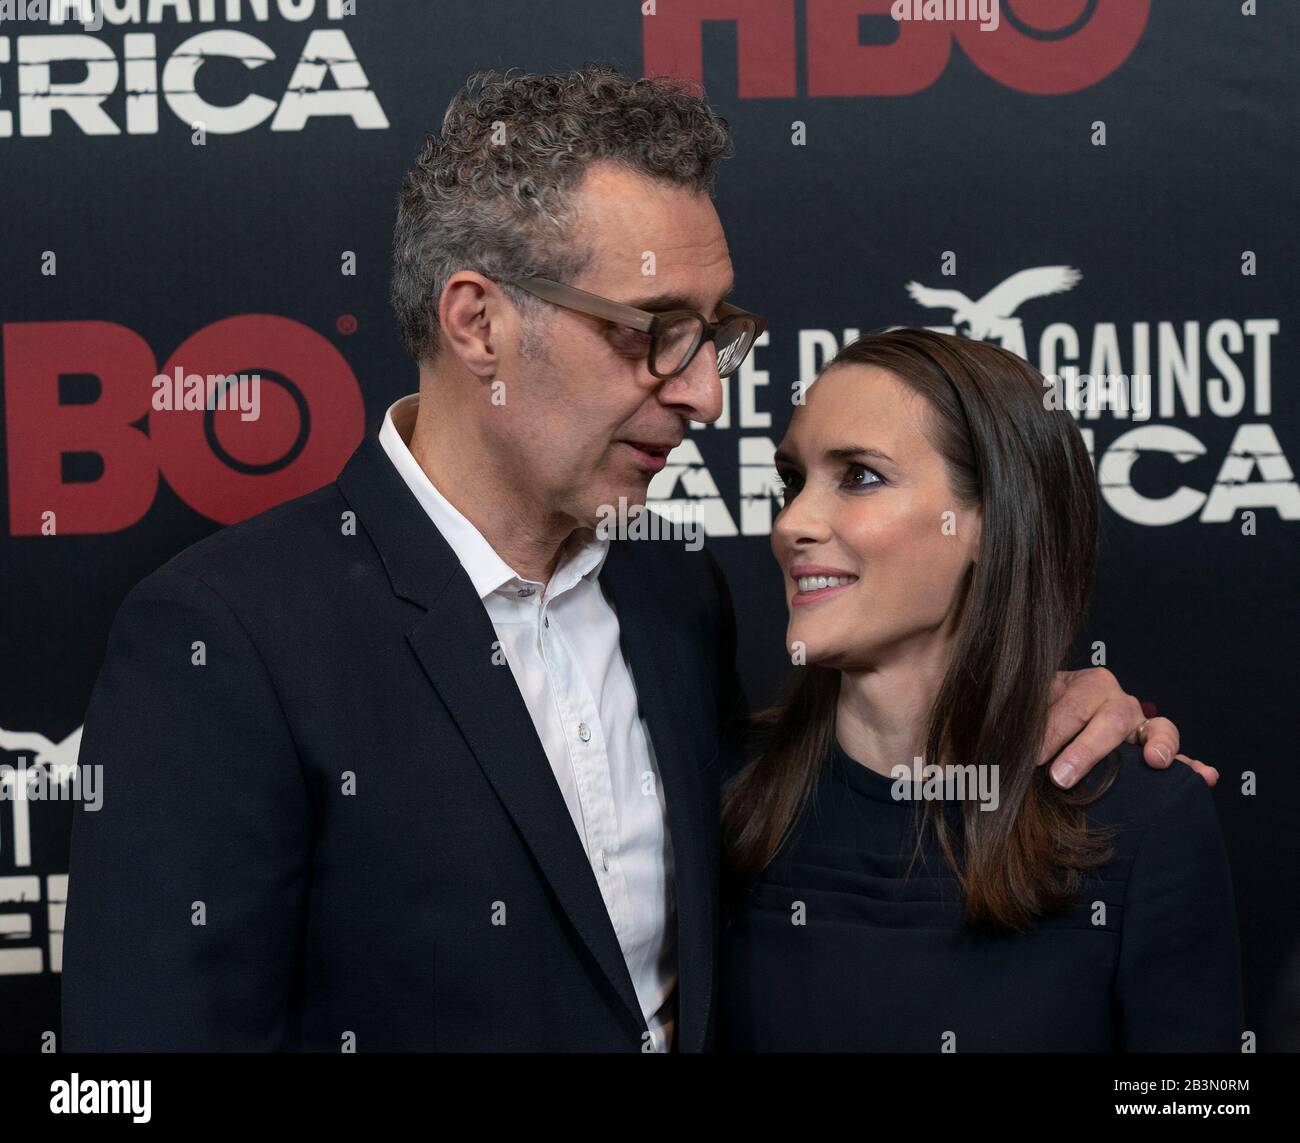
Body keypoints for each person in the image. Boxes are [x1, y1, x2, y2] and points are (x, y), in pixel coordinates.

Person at [62, 67, 1190, 1052]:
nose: (702, 392)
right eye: (652, 331)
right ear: (478, 323)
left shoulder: (672, 591)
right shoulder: (230, 636)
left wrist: (1050, 708)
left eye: (713, 334)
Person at [719, 329, 1242, 1051]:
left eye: (860, 476)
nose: (791, 523)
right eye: (793, 481)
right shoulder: (717, 792)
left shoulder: (1140, 819)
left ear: (992, 522)